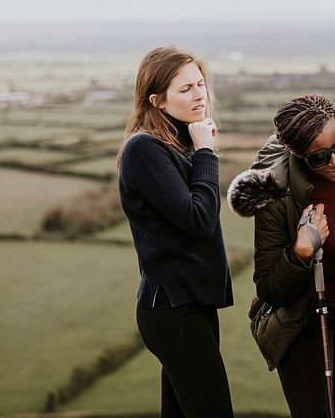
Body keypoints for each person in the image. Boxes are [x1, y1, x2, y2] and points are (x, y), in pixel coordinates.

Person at [228, 94, 335, 418]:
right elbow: (269, 289)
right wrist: (301, 252)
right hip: (305, 321)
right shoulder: (276, 190)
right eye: (319, 158)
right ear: (299, 157)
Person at [117, 46, 235, 418]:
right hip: (173, 309)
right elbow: (199, 219)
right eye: (185, 89)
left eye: (200, 84)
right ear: (157, 100)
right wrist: (206, 152)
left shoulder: (175, 145)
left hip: (191, 306)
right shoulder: (144, 150)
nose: (199, 94)